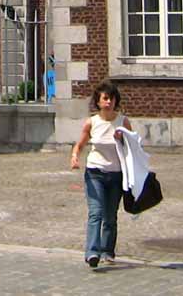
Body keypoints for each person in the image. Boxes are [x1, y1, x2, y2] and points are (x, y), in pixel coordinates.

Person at [69, 79, 133, 269]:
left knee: (110, 216)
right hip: (95, 172)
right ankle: (92, 252)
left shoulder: (123, 122)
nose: (108, 102)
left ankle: (107, 251)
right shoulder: (92, 122)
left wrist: (122, 139)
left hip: (116, 175)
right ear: (98, 101)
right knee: (95, 213)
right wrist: (75, 157)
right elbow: (80, 144)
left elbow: (133, 147)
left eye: (112, 98)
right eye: (105, 98)